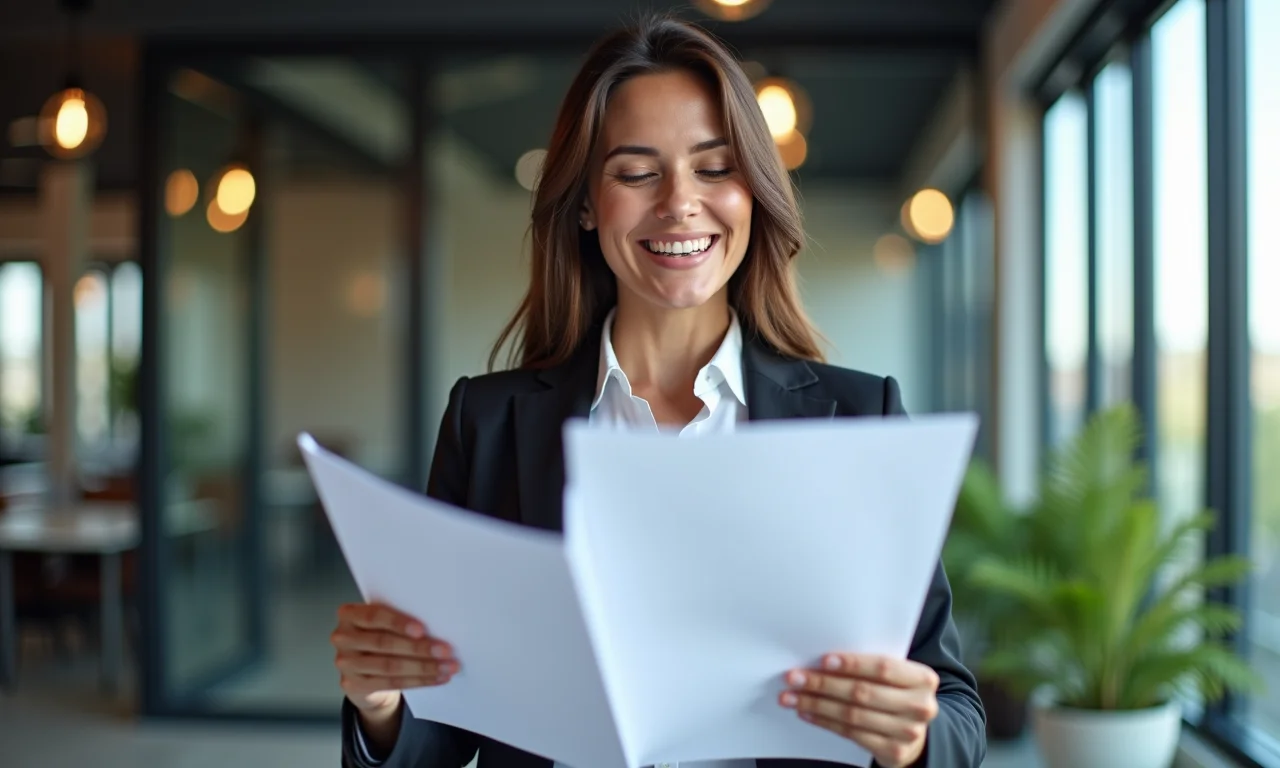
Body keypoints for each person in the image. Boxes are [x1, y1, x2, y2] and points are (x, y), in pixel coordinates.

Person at [330, 14, 986, 768]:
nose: (680, 202)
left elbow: (955, 711)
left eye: (714, 168)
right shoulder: (489, 423)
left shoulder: (858, 418)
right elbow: (439, 739)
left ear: (754, 193)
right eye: (637, 172)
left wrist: (913, 737)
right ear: (585, 204)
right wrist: (383, 707)